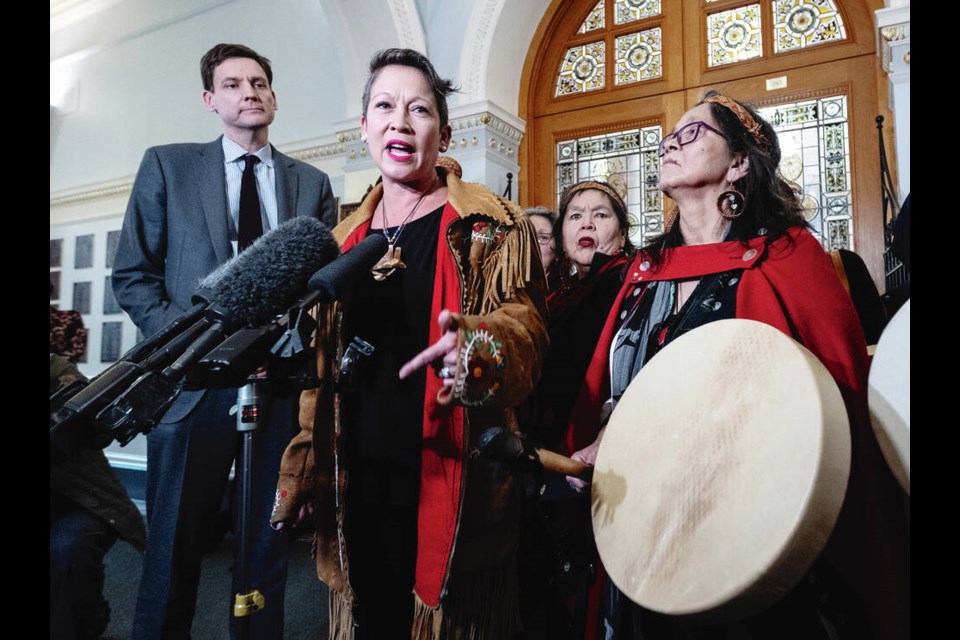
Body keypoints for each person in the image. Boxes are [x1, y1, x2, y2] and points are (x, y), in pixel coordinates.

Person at [565, 91, 910, 638]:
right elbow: (611, 393)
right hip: (646, 530)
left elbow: (831, 402)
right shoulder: (643, 272)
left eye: (693, 132)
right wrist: (600, 438)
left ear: (740, 161)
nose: (670, 142)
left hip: (745, 532)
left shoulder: (790, 258)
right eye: (669, 135)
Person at [270, 48, 549, 639]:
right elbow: (321, 376)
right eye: (384, 107)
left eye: (418, 109)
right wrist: (307, 462)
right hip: (358, 473)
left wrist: (477, 347)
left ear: (442, 132)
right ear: (367, 127)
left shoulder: (491, 225)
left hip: (454, 476)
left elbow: (527, 332)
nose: (400, 121)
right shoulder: (340, 241)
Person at [111, 42, 337, 640]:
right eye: (233, 84)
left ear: (274, 95)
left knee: (267, 544)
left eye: (260, 82)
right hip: (190, 391)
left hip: (279, 390)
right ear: (210, 99)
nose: (250, 92)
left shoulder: (311, 184)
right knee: (175, 545)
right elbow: (133, 277)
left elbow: (322, 288)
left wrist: (293, 344)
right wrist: (186, 351)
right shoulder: (168, 165)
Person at [517, 180, 633, 639]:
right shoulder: (559, 294)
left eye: (601, 215)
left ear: (621, 233)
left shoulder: (631, 282)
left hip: (601, 456)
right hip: (548, 461)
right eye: (576, 215)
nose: (587, 222)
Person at [51, 321, 147, 640]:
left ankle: (84, 619)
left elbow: (94, 428)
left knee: (70, 548)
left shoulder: (57, 368)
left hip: (79, 498)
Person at [526, 206, 560, 292]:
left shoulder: (566, 295)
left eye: (543, 237)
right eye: (527, 236)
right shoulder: (501, 290)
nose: (533, 244)